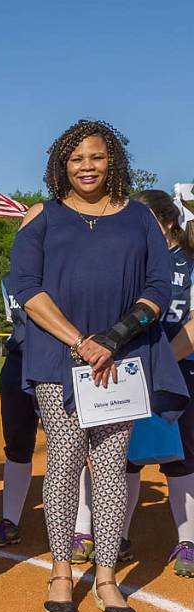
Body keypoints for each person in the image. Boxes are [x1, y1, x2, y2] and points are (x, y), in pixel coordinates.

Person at [10, 119, 187, 612]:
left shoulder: (139, 218)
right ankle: (62, 570)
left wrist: (115, 337)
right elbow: (26, 286)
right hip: (58, 357)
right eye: (76, 159)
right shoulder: (42, 216)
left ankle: (107, 577)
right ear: (61, 164)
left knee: (110, 469)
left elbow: (158, 284)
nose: (87, 167)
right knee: (64, 460)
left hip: (123, 357)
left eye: (96, 157)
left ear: (113, 161)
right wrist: (81, 341)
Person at [75, 189, 194, 577]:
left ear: (168, 221)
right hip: (129, 370)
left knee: (182, 457)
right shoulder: (134, 260)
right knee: (124, 456)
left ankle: (187, 540)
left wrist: (163, 362)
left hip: (180, 368)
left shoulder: (189, 261)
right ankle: (119, 537)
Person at [0, 274, 39, 546]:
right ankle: (10, 521)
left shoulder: (60, 263)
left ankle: (81, 529)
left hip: (55, 362)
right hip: (17, 363)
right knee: (16, 442)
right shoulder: (7, 278)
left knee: (73, 446)